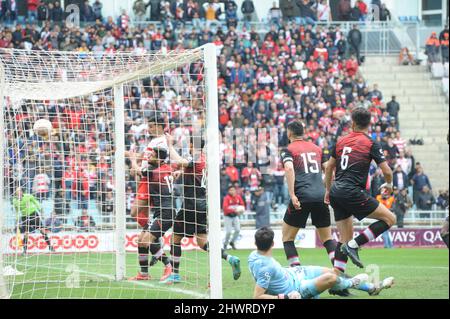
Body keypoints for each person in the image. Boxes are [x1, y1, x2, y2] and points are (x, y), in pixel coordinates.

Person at [162, 133, 241, 284]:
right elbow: (193, 172)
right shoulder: (204, 159)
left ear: (192, 145)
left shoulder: (197, 158)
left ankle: (175, 275)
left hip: (191, 205)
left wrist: (170, 145)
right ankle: (229, 258)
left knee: (175, 239)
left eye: (189, 144)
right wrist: (182, 172)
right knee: (202, 242)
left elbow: (180, 160)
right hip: (203, 205)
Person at [324, 107, 397, 271]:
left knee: (343, 239)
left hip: (336, 191)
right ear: (369, 123)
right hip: (352, 192)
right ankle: (354, 245)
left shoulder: (341, 141)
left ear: (353, 122)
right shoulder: (370, 143)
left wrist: (328, 190)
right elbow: (387, 171)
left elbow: (329, 168)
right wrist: (389, 185)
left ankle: (337, 281)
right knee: (390, 219)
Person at [248, 227, 395, 299]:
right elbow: (257, 297)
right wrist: (284, 297)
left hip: (294, 273)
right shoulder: (265, 268)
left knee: (334, 272)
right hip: (297, 288)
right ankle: (353, 283)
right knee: (331, 279)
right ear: (273, 243)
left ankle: (370, 289)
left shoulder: (253, 256)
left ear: (255, 243)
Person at [280, 121, 338, 269]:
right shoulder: (317, 149)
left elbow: (289, 169)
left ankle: (298, 274)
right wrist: (327, 190)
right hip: (320, 196)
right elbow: (329, 168)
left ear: (289, 133)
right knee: (327, 239)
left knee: (287, 238)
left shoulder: (288, 149)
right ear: (303, 133)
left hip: (301, 196)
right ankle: (340, 272)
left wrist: (292, 194)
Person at [128, 147, 173, 281]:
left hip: (165, 213)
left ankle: (169, 265)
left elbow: (137, 170)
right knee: (141, 240)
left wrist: (132, 159)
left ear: (159, 159)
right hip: (160, 213)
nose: (149, 157)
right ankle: (143, 274)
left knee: (146, 241)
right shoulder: (166, 168)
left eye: (152, 156)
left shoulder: (154, 172)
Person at [13, 187, 54, 254]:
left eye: (19, 191)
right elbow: (17, 211)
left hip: (33, 214)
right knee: (26, 233)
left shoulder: (28, 196)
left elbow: (36, 202)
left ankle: (50, 247)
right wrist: (17, 220)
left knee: (42, 230)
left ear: (22, 191)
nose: (18, 192)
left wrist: (41, 210)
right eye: (17, 191)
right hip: (24, 217)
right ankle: (25, 250)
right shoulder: (14, 201)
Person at [222, 185, 245, 250]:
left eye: (233, 190)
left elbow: (242, 205)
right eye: (231, 190)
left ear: (235, 191)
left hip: (235, 216)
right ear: (228, 191)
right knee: (228, 232)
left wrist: (241, 210)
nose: (232, 191)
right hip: (228, 216)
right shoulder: (226, 198)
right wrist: (235, 210)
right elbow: (225, 208)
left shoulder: (238, 197)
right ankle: (225, 244)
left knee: (238, 230)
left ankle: (232, 242)